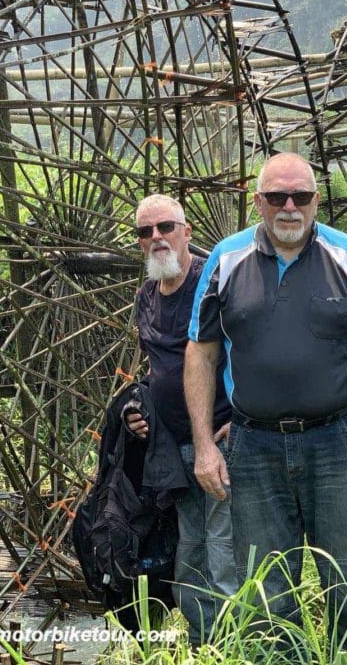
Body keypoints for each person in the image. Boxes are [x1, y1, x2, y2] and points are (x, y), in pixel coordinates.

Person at [183, 153, 347, 660]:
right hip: (253, 446)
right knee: (266, 590)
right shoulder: (226, 258)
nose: (289, 207)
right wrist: (203, 445)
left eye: (300, 196)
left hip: (339, 440)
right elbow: (200, 350)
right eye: (277, 197)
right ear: (257, 201)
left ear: (316, 201)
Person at [124, 193, 237, 646]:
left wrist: (244, 415)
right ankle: (202, 642)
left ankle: (237, 641)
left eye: (166, 227)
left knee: (225, 546)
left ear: (186, 232)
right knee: (191, 548)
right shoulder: (146, 295)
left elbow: (250, 350)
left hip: (223, 436)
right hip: (175, 447)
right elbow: (156, 369)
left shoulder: (215, 282)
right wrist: (138, 412)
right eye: (145, 232)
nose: (156, 238)